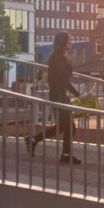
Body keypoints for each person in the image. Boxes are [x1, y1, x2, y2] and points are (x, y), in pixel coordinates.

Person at [26, 33, 77, 163]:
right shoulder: (57, 58)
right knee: (68, 126)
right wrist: (78, 94)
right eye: (69, 39)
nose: (71, 42)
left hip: (60, 95)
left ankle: (35, 140)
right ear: (63, 41)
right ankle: (64, 154)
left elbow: (63, 76)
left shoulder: (60, 57)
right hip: (58, 96)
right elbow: (63, 80)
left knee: (66, 126)